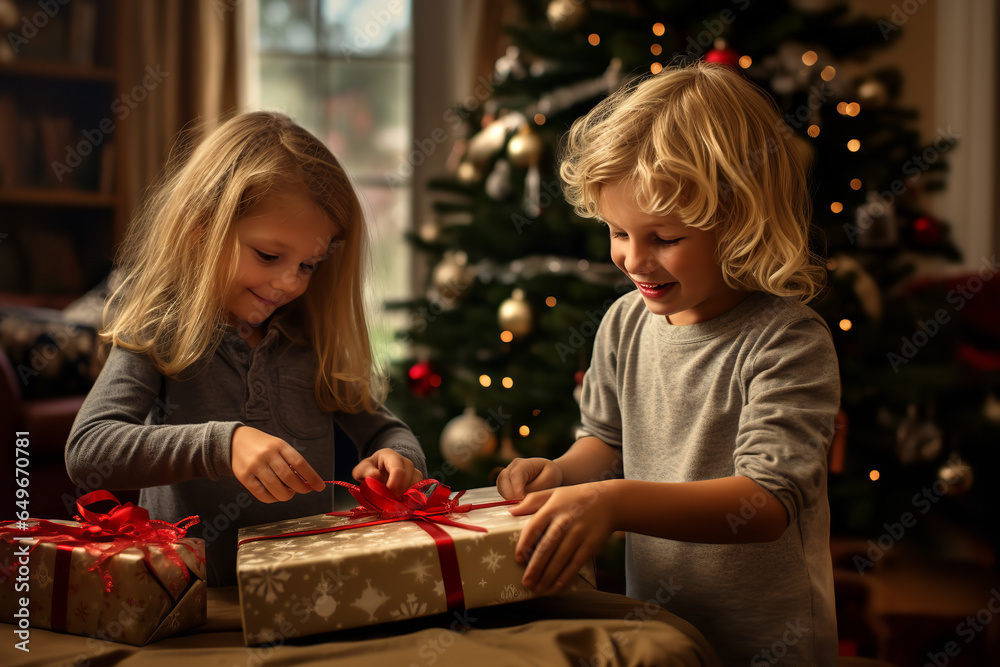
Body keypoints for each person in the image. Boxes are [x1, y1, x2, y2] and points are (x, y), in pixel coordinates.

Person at [497, 61, 840, 665]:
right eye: (617, 232)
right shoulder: (625, 321)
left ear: (740, 225)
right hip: (659, 633)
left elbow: (764, 505)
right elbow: (603, 443)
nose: (633, 259)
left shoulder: (788, 341)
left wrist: (615, 503)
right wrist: (561, 474)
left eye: (665, 238)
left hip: (767, 641)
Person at [66, 111, 426, 586]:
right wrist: (223, 443)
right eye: (270, 257)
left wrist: (398, 459)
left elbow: (387, 431)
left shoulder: (309, 337)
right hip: (194, 603)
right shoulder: (162, 328)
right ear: (201, 227)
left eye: (309, 265)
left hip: (304, 592)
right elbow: (89, 450)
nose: (289, 282)